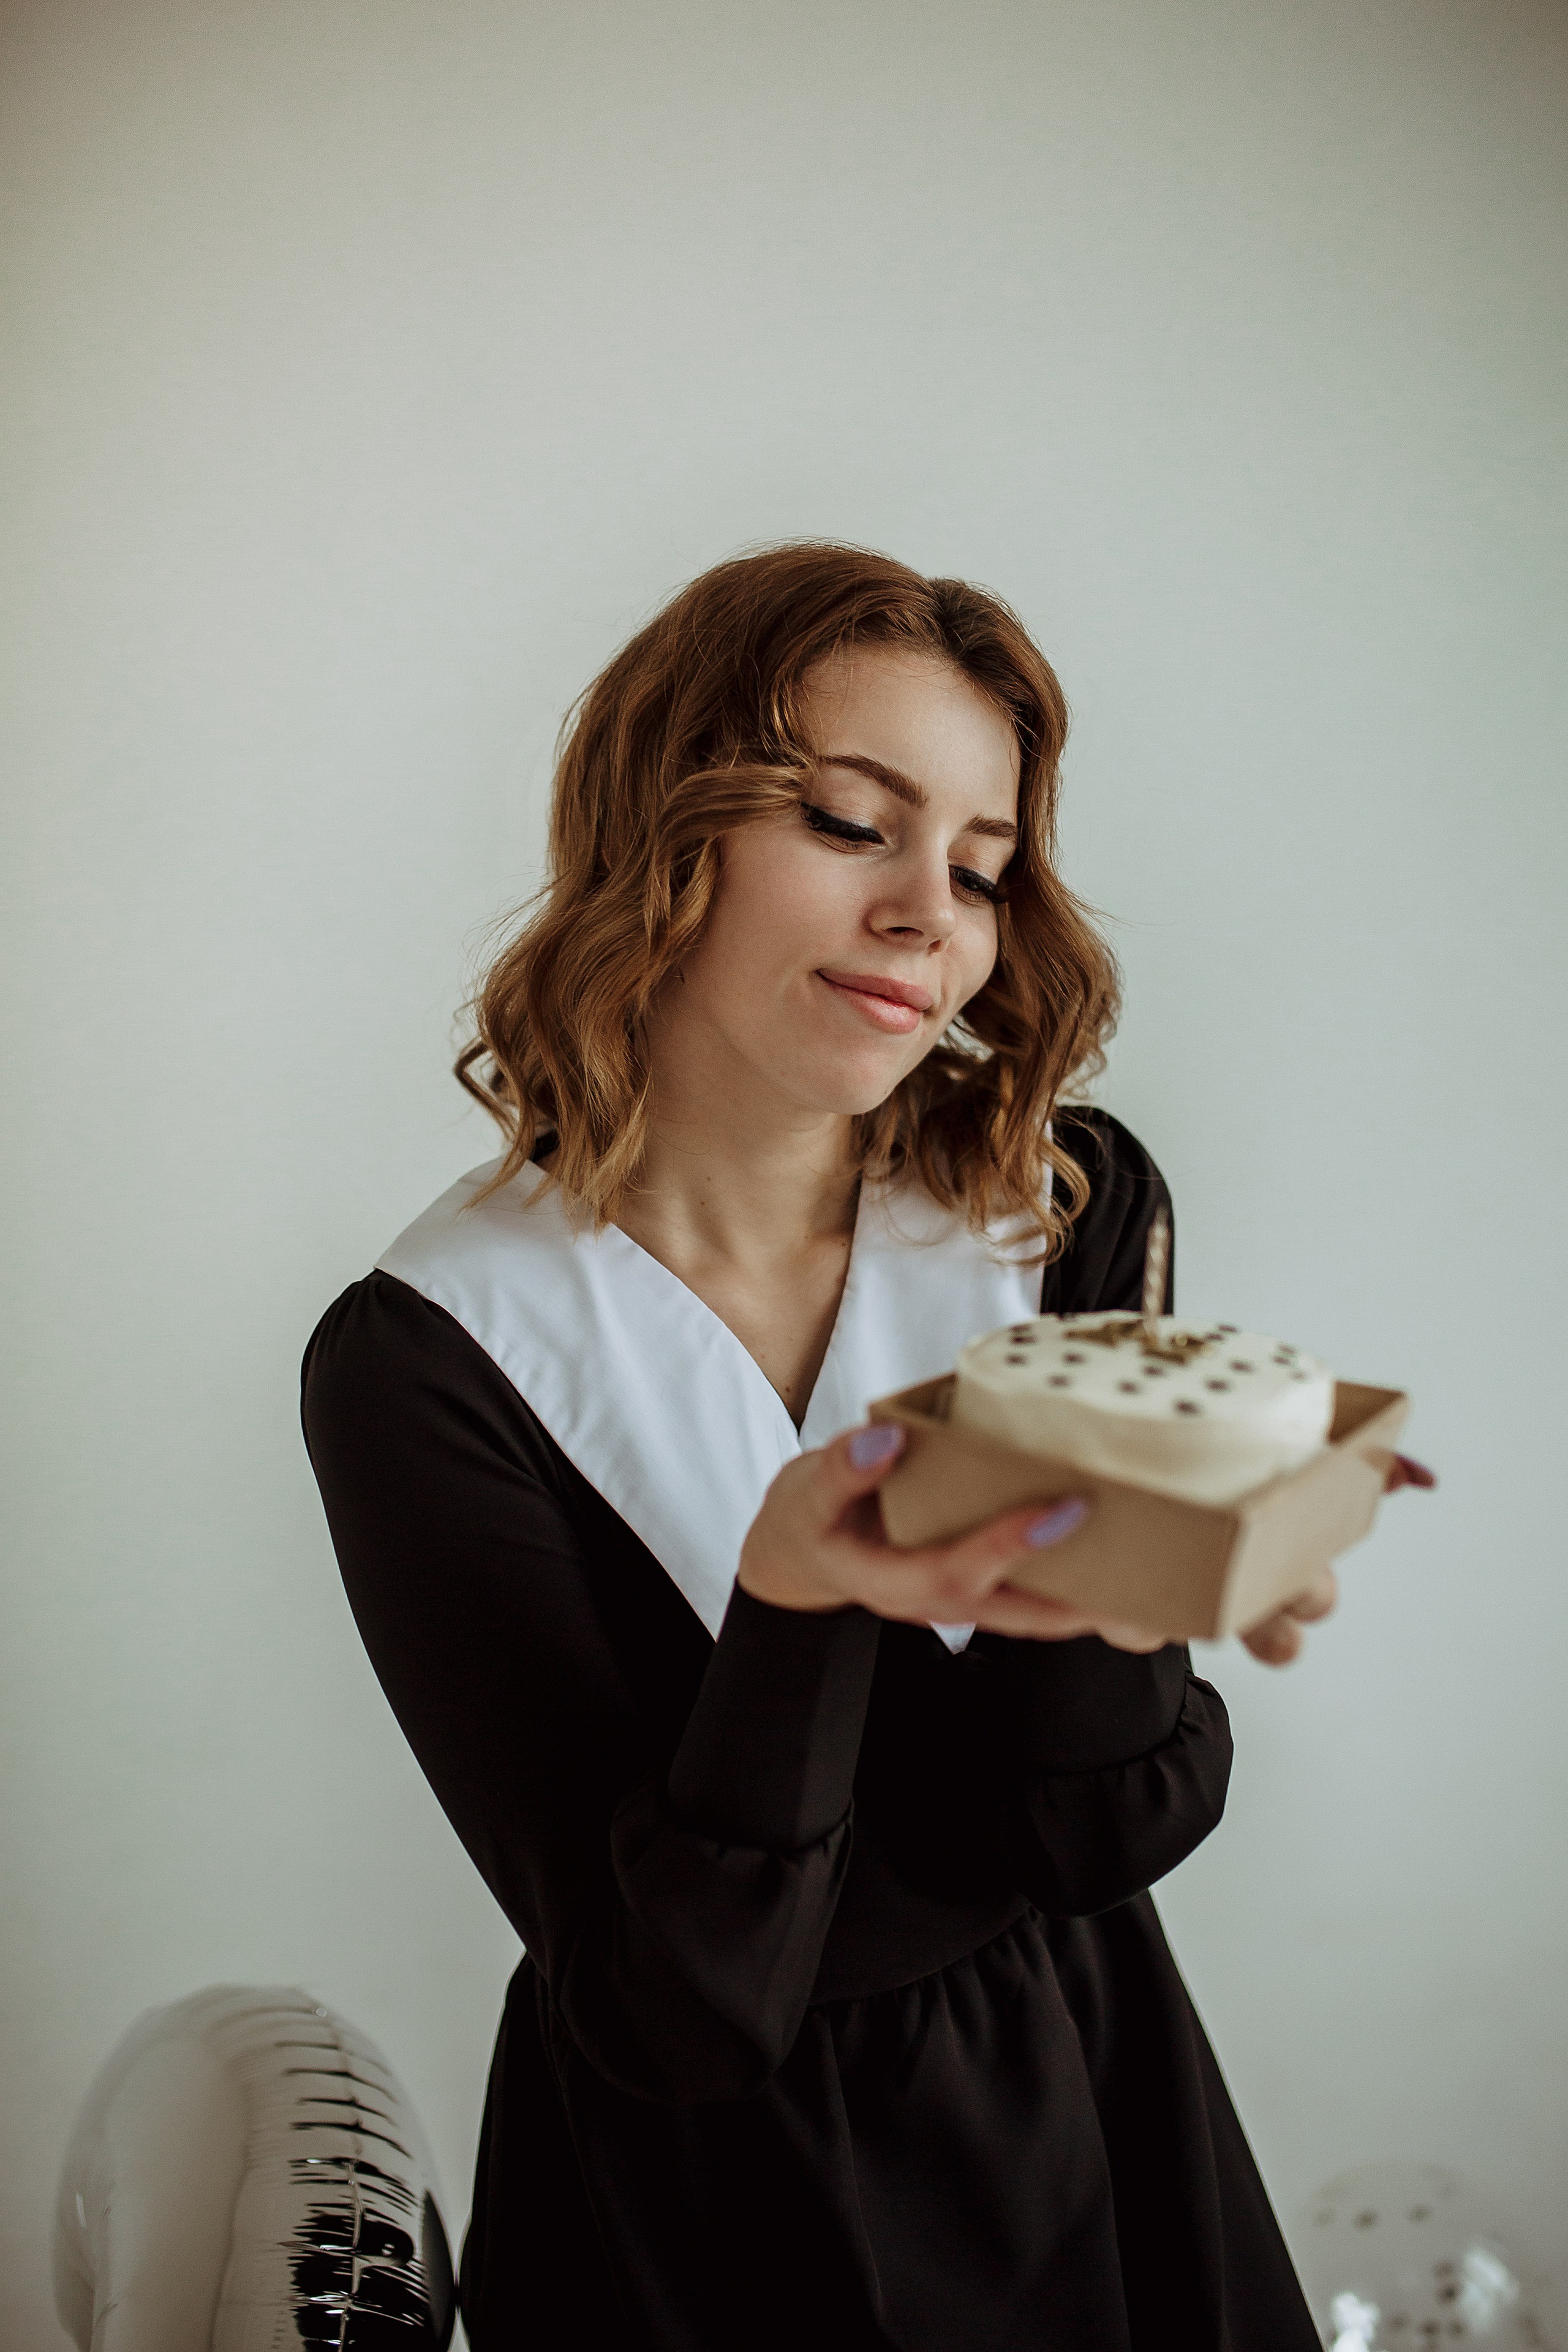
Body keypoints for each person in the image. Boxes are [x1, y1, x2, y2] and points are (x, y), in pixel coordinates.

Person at [301, 544, 1428, 2350]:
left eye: (981, 868)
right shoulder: (428, 1356)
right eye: (849, 823)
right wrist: (798, 1595)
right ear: (663, 833)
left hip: (1092, 2110)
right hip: (701, 2221)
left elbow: (1096, 1825)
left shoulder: (1056, 1209)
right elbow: (677, 2001)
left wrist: (1154, 1564)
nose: (930, 916)